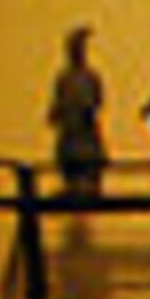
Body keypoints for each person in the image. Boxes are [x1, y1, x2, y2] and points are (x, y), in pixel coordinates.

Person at [49, 25, 105, 194]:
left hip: (84, 131)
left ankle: (88, 186)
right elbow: (58, 101)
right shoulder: (64, 78)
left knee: (85, 158)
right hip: (70, 131)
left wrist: (86, 111)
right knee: (71, 159)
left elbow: (97, 102)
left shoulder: (91, 77)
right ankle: (72, 186)